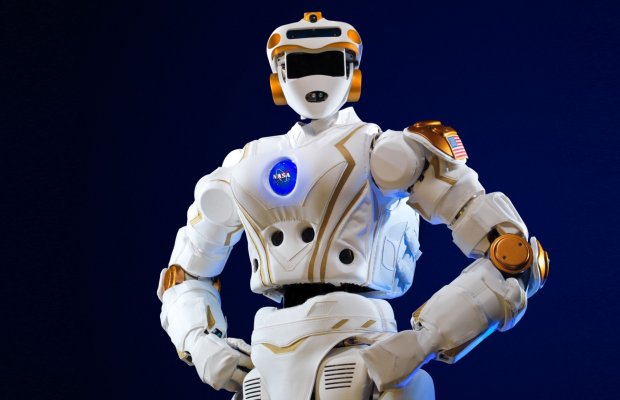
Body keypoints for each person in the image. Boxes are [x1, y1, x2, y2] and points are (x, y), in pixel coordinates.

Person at [157, 12, 549, 400]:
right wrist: (202, 345)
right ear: (278, 80)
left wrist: (425, 340)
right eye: (300, 65)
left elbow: (513, 257)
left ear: (353, 75)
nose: (315, 78)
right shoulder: (243, 167)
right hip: (268, 356)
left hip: (359, 345)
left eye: (330, 63)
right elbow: (183, 276)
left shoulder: (388, 153)